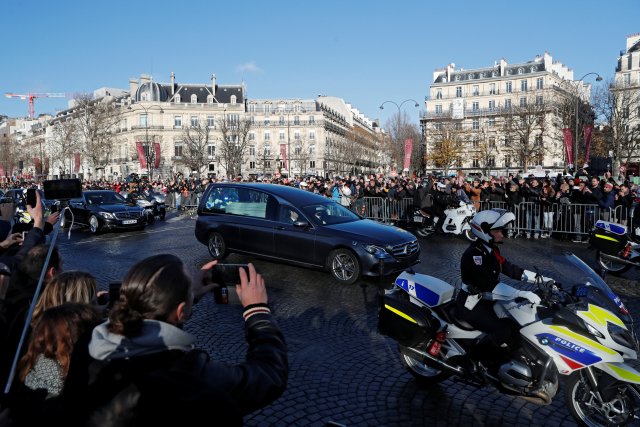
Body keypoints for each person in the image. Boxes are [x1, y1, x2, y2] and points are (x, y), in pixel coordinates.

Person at [61, 254, 288, 426]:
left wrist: (189, 295)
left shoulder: (86, 344)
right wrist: (257, 311)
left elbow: (151, 315)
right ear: (180, 311)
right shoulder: (190, 376)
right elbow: (267, 377)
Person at [456, 209, 543, 372]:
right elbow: (489, 284)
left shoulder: (492, 250)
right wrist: (521, 293)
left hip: (487, 300)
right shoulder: (474, 255)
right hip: (471, 304)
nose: (502, 234)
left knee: (515, 323)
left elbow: (510, 269)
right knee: (501, 329)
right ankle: (471, 361)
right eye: (497, 230)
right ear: (484, 231)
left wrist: (541, 279)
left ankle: (511, 361)